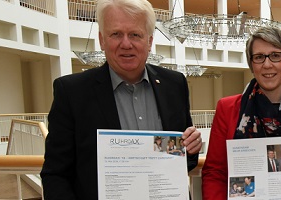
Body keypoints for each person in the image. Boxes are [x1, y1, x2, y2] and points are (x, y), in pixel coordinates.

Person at [39, 0, 202, 199]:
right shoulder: (72, 92)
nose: (126, 44)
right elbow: (56, 174)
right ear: (102, 39)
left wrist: (191, 148)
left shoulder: (174, 85)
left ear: (149, 41)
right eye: (116, 34)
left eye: (135, 34)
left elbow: (178, 159)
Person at [201, 27, 281, 200]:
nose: (267, 64)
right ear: (252, 65)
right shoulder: (227, 108)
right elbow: (214, 172)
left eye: (275, 55)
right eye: (259, 57)